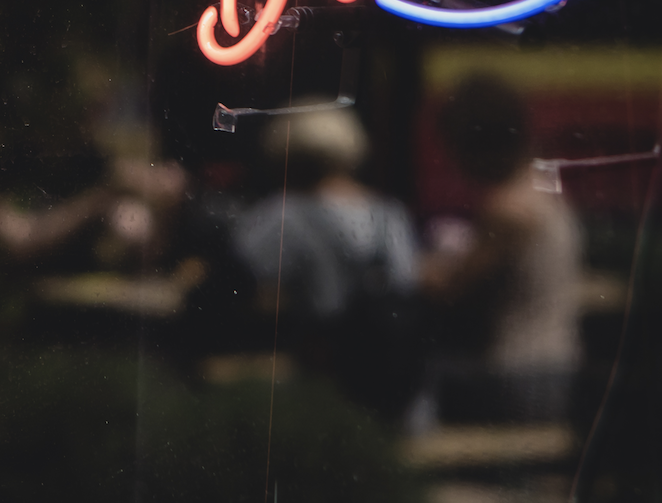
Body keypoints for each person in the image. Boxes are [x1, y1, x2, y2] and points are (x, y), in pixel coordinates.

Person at [227, 99, 423, 416]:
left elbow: (243, 283)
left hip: (318, 379)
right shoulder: (390, 214)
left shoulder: (283, 215)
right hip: (390, 382)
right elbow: (407, 283)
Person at [420, 71, 582, 425]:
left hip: (516, 374)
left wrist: (410, 268)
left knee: (417, 379)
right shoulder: (545, 191)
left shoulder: (507, 210)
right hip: (558, 366)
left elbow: (451, 288)